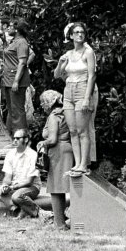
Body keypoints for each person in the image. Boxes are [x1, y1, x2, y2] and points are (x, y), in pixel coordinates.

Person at [55, 21, 97, 177]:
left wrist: (87, 98)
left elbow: (92, 76)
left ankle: (83, 164)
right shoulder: (68, 54)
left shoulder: (88, 52)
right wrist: (60, 63)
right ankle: (77, 163)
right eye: (77, 32)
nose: (80, 35)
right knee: (72, 130)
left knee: (82, 131)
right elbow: (57, 75)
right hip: (68, 90)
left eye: (82, 32)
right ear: (71, 36)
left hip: (82, 88)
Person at [36, 90, 73, 230]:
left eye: (42, 102)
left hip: (58, 151)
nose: (41, 105)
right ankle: (62, 220)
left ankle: (59, 224)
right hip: (67, 149)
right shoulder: (64, 113)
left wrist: (42, 143)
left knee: (56, 189)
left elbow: (52, 139)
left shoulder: (53, 116)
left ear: (48, 103)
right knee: (62, 187)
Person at [0, 129, 42, 219]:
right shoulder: (10, 154)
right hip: (15, 186)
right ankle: (16, 209)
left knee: (16, 196)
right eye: (14, 138)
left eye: (18, 138)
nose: (15, 140)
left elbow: (29, 181)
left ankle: (39, 212)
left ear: (26, 140)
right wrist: (5, 185)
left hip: (31, 187)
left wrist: (12, 188)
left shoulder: (33, 155)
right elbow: (7, 177)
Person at [1, 19, 33, 133]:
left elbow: (22, 62)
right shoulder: (14, 41)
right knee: (12, 110)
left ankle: (21, 137)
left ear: (17, 29)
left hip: (15, 80)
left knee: (17, 110)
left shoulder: (22, 42)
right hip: (8, 79)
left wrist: (16, 81)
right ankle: (14, 135)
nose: (8, 28)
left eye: (10, 26)